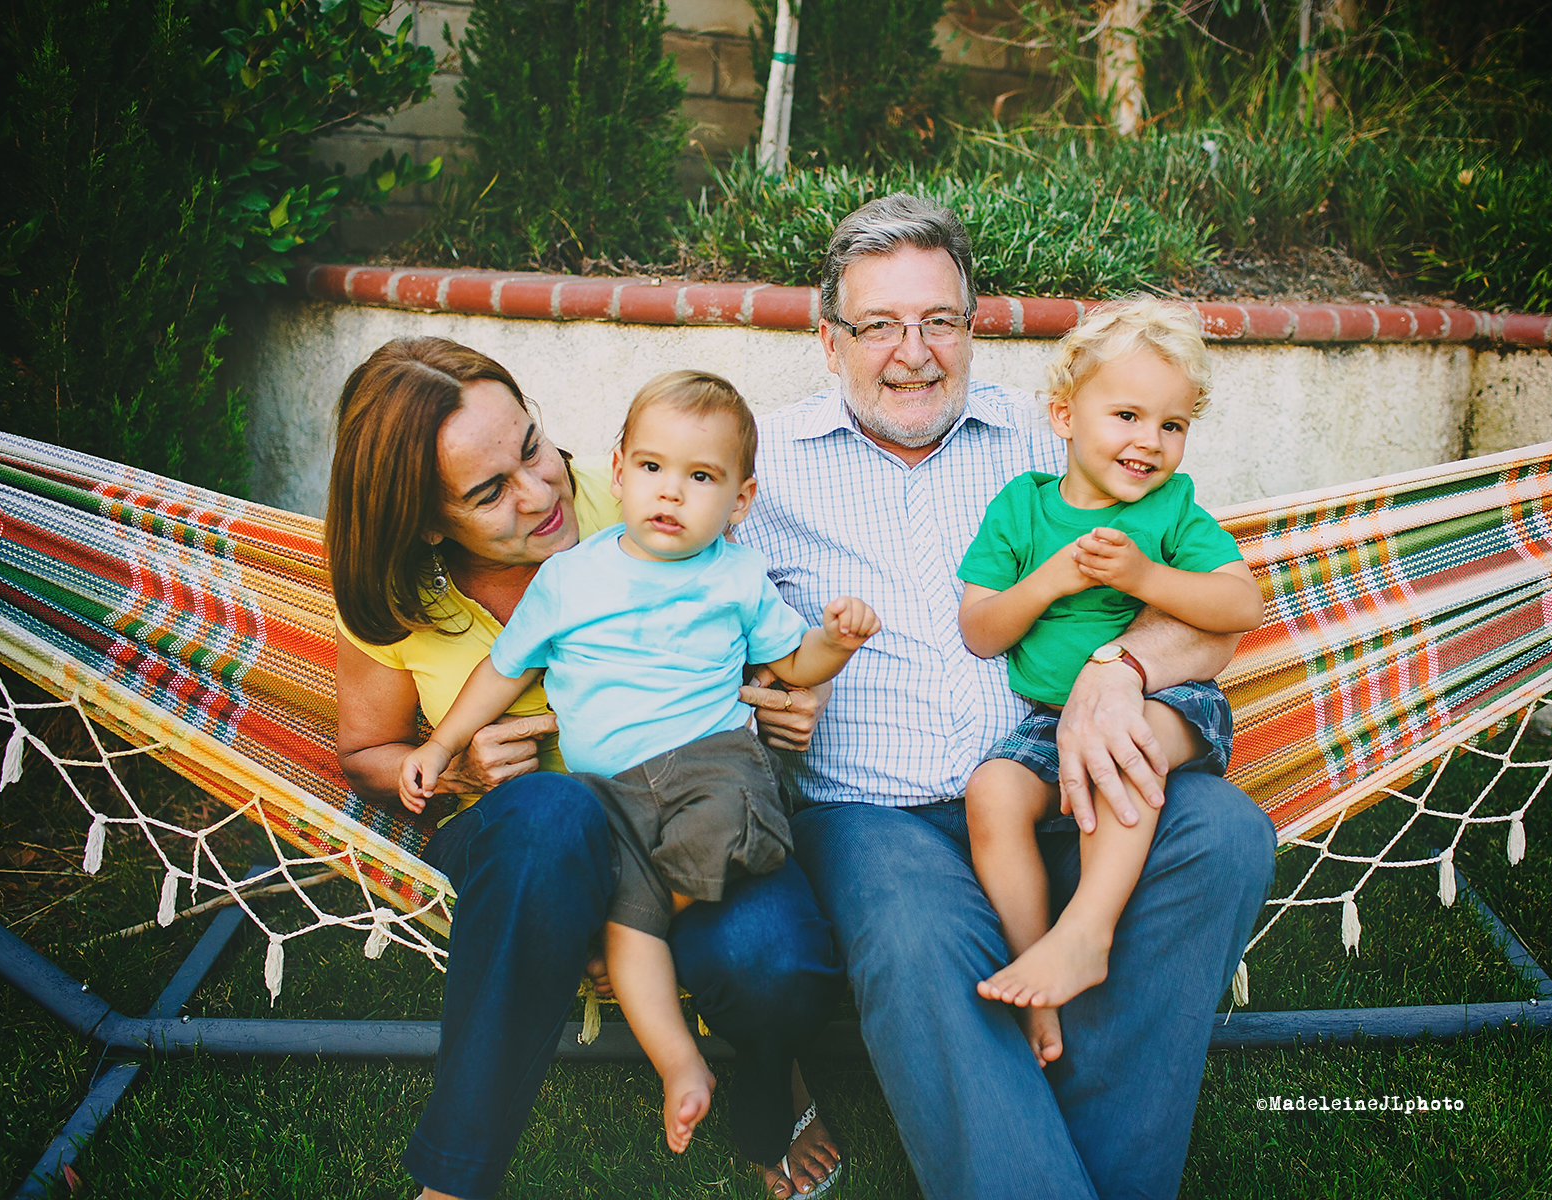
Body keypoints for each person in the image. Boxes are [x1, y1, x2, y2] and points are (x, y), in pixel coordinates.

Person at [734, 194, 1278, 1200]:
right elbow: (683, 624)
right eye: (879, 324)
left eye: (939, 320)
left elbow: (1218, 610)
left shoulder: (1065, 437)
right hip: (872, 810)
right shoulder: (758, 471)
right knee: (911, 931)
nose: (913, 352)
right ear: (828, 340)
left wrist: (1122, 673)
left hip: (1053, 769)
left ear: (972, 328)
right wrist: (760, 696)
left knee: (1225, 837)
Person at [327, 340, 845, 1200]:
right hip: (528, 852)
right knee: (552, 811)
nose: (541, 494)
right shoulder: (395, 597)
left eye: (533, 447)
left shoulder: (641, 496)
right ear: (425, 520)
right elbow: (366, 757)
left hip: (682, 819)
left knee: (777, 960)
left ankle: (765, 1072)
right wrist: (457, 773)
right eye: (491, 492)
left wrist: (788, 691)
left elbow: (739, 628)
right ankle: (454, 1183)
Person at [957, 297, 1265, 1069]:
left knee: (1117, 749)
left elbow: (1240, 604)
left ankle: (1087, 933)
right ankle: (1042, 970)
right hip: (1049, 717)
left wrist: (1147, 575)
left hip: (1164, 705)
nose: (1150, 442)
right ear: (1064, 416)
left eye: (1172, 425)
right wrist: (1050, 581)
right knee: (992, 793)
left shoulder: (1171, 510)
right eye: (1126, 415)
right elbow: (982, 628)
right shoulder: (1023, 509)